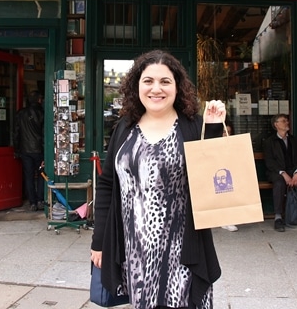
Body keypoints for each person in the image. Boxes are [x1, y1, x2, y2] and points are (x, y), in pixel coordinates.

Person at [90, 49, 225, 309]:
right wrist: (99, 243)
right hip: (135, 251)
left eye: (165, 81)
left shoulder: (193, 125)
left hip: (183, 251)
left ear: (177, 87)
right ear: (136, 86)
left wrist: (214, 128)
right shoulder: (124, 127)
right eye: (148, 81)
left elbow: (213, 175)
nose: (156, 89)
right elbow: (107, 185)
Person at [13, 90, 45, 212]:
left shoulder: (20, 114)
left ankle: (32, 202)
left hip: (25, 150)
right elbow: (43, 134)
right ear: (39, 100)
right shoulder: (42, 113)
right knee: (42, 174)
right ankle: (40, 199)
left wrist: (17, 149)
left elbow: (16, 133)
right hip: (39, 149)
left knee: (29, 176)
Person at [220, 122, 238, 232]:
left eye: (229, 132)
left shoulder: (233, 145)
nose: (226, 135)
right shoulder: (212, 145)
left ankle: (229, 219)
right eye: (224, 132)